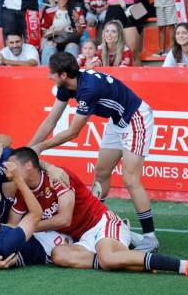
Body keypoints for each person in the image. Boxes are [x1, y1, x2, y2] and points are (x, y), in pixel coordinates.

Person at [8, 147, 188, 279]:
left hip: (100, 223)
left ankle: (185, 266)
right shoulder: (21, 192)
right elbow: (12, 226)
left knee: (107, 258)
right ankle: (127, 259)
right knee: (59, 254)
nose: (9, 170)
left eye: (13, 166)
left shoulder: (58, 176)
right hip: (82, 238)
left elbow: (64, 218)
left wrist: (28, 227)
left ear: (28, 166)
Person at [29, 52, 159, 252]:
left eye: (52, 73)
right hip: (118, 121)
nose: (49, 76)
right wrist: (29, 149)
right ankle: (96, 223)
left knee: (130, 178)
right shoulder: (66, 86)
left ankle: (150, 238)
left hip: (136, 117)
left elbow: (73, 132)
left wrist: (41, 147)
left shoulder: (88, 89)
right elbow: (50, 121)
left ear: (63, 75)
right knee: (101, 172)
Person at [0, 162, 66, 268]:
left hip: (26, 234)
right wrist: (18, 179)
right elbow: (36, 213)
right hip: (46, 247)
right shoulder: (8, 241)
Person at [40, 0, 84, 65]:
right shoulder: (49, 11)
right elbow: (43, 32)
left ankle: (71, 74)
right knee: (49, 46)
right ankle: (45, 73)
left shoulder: (77, 10)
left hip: (71, 41)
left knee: (72, 46)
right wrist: (56, 30)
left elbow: (81, 33)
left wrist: (77, 22)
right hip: (53, 40)